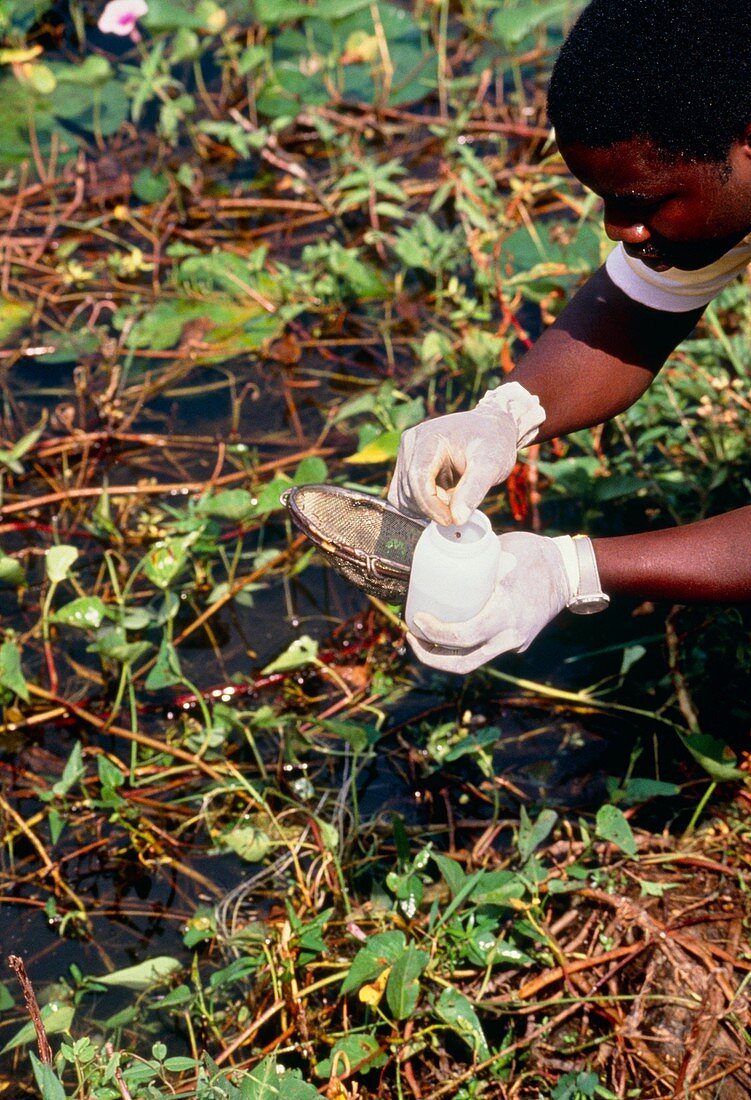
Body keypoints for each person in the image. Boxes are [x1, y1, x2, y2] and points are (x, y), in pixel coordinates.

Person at [388, 0, 751, 673]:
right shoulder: (725, 172)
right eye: (607, 201)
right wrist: (502, 416)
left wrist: (573, 568)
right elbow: (632, 315)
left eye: (641, 202)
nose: (618, 230)